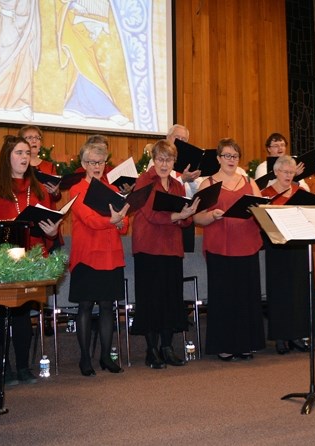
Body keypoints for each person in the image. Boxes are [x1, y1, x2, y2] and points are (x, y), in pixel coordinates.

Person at [0, 135, 62, 414]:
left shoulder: (39, 189)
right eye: (19, 152)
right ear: (7, 156)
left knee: (24, 316)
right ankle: (1, 371)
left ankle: (23, 366)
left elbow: (52, 224)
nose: (25, 157)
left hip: (31, 259)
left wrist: (51, 232)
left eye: (28, 153)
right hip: (0, 263)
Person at [194, 138, 266, 361]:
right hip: (220, 246)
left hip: (247, 244)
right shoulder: (208, 184)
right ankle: (224, 345)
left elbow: (262, 210)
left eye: (235, 156)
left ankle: (246, 344)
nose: (231, 160)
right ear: (218, 158)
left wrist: (258, 210)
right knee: (223, 297)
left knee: (247, 296)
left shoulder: (249, 181)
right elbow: (196, 217)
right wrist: (212, 216)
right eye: (226, 155)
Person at [132, 139, 200, 369]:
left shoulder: (177, 184)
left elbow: (186, 219)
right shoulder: (144, 180)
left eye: (169, 159)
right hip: (149, 248)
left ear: (174, 161)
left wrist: (187, 214)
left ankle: (167, 348)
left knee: (171, 299)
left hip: (171, 248)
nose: (164, 163)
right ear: (153, 159)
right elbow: (152, 215)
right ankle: (151, 351)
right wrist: (180, 216)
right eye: (160, 158)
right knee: (151, 300)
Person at [68, 142, 129, 376]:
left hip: (111, 255)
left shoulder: (111, 189)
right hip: (87, 255)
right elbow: (89, 220)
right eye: (92, 162)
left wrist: (122, 221)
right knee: (85, 306)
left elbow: (124, 223)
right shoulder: (76, 190)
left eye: (101, 162)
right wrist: (113, 221)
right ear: (84, 164)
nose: (97, 166)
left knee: (107, 306)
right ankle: (85, 358)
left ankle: (105, 356)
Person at [259, 156, 310, 354]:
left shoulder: (301, 191)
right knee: (279, 291)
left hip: (298, 245)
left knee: (298, 291)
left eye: (291, 173)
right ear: (276, 172)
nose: (288, 176)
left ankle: (297, 335)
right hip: (277, 246)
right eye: (285, 172)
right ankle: (280, 337)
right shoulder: (266, 194)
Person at [18, 125, 62, 201]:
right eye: (30, 138)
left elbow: (56, 198)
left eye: (37, 138)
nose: (34, 141)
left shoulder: (49, 166)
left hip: (45, 208)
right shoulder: (17, 165)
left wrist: (55, 193)